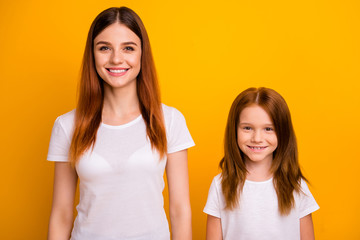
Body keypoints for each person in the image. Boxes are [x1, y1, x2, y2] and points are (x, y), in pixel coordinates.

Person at [47, 7, 194, 240]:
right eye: (104, 48)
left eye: (128, 48)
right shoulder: (67, 126)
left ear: (142, 54)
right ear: (92, 54)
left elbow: (180, 210)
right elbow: (61, 213)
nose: (116, 58)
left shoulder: (170, 120)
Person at [204, 87, 319, 240]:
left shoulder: (295, 185)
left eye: (268, 129)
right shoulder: (221, 185)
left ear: (283, 133)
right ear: (234, 130)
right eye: (247, 128)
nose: (257, 138)